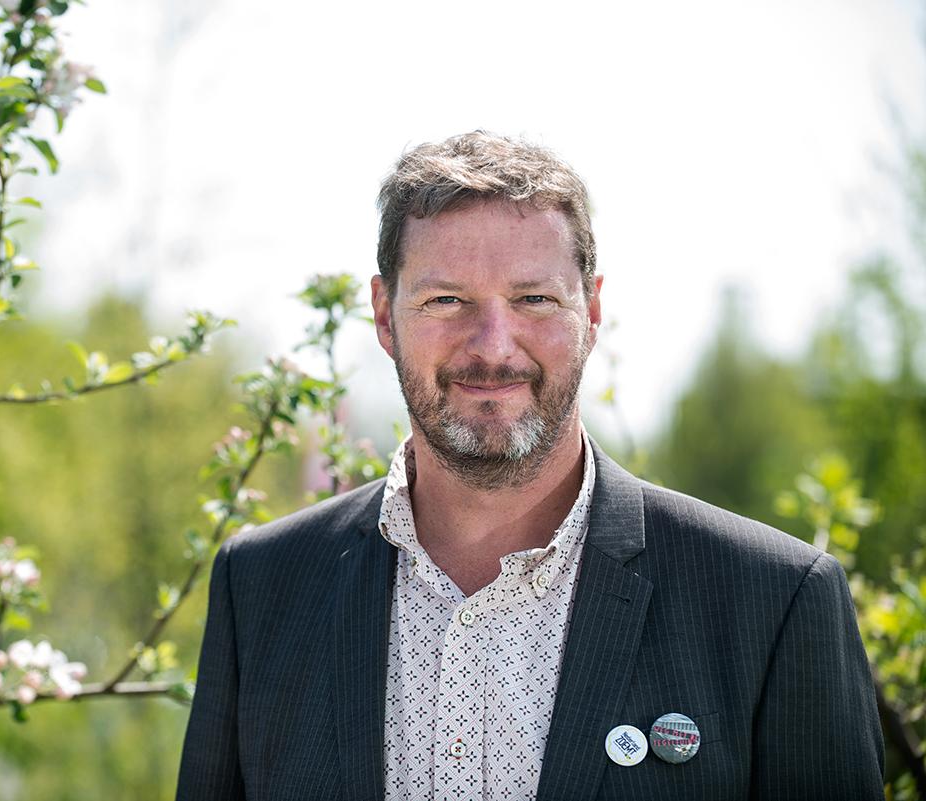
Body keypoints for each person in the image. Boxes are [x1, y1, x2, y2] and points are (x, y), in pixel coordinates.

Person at [175, 131, 884, 801]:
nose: (493, 345)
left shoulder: (774, 603)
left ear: (592, 309)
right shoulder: (262, 587)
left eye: (533, 299)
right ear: (385, 315)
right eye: (445, 299)